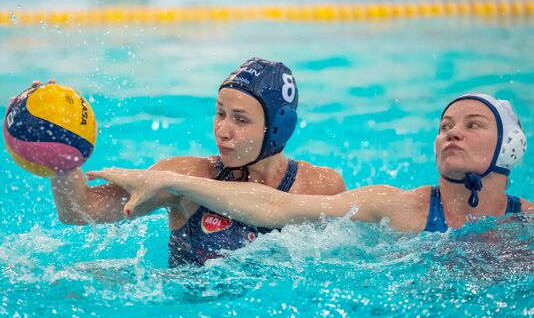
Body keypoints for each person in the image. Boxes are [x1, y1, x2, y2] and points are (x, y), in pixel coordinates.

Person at [88, 93, 532, 234]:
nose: (452, 132)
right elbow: (279, 208)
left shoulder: (527, 222)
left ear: (509, 146)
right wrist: (168, 180)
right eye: (445, 124)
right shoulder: (400, 207)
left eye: (473, 125)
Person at [49, 58, 346, 266]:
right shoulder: (185, 174)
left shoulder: (320, 186)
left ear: (277, 128)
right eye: (220, 113)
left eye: (240, 120)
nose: (222, 130)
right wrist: (60, 149)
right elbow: (79, 211)